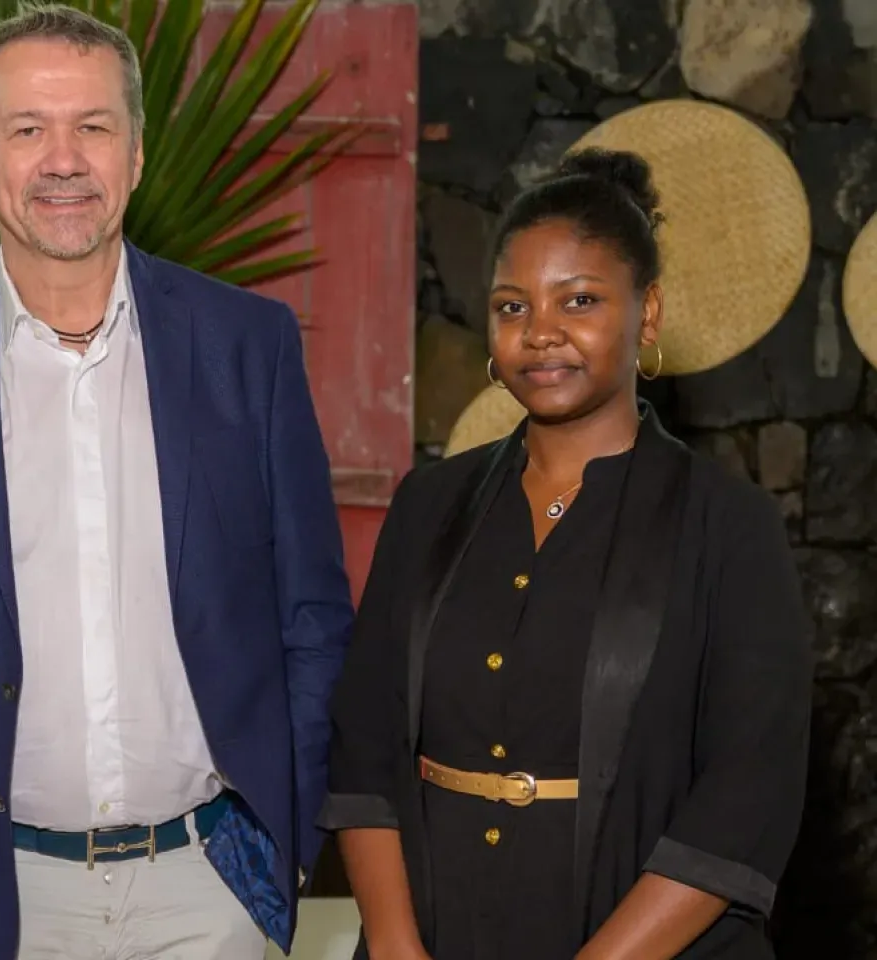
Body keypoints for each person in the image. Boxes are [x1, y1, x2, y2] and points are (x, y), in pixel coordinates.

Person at [0, 5, 354, 958]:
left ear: (137, 154)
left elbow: (312, 619)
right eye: (28, 129)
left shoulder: (247, 347)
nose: (63, 160)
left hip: (213, 891)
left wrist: (288, 844)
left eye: (94, 127)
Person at [323, 147, 813, 959]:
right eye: (512, 307)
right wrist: (397, 948)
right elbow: (365, 744)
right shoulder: (428, 506)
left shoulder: (730, 527)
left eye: (579, 300)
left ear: (647, 314)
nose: (540, 332)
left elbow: (746, 794)